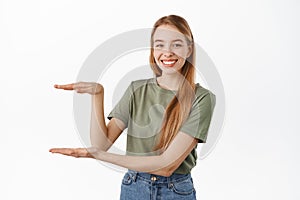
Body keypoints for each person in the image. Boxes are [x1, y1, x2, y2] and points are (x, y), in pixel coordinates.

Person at [50, 15, 216, 200]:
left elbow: (166, 166)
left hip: (175, 191)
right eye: (159, 44)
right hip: (134, 187)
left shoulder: (202, 98)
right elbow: (101, 144)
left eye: (176, 44)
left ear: (189, 49)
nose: (167, 52)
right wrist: (97, 95)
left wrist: (100, 156)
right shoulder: (136, 90)